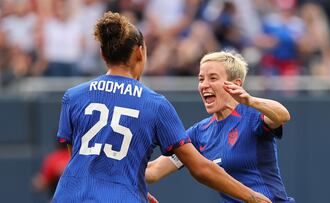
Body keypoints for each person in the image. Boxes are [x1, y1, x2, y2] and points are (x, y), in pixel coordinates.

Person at [52, 11, 271, 203]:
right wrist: (251, 197)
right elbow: (201, 168)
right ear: (140, 52)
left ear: (102, 55)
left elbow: (80, 162)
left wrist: (138, 187)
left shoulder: (73, 97)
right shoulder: (155, 105)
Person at [146, 50, 295, 203]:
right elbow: (153, 171)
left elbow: (283, 115)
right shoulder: (199, 133)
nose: (204, 85)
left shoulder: (251, 115)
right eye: (201, 79)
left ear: (235, 84)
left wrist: (251, 101)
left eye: (213, 78)